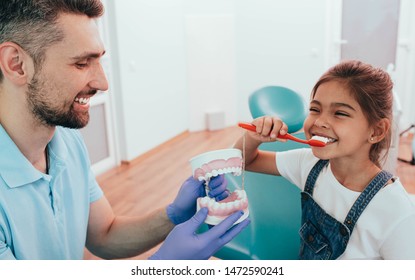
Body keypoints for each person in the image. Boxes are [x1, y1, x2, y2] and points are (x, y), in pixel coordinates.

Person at [0, 0, 249, 260]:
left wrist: (174, 214)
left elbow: (105, 235)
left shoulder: (67, 141)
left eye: (98, 61)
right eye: (82, 64)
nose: (103, 83)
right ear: (16, 64)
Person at [234, 60, 415, 259]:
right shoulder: (308, 163)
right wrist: (252, 137)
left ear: (377, 131)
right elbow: (243, 161)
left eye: (340, 113)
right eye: (315, 109)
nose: (319, 122)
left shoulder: (398, 213)